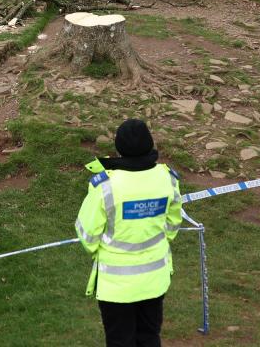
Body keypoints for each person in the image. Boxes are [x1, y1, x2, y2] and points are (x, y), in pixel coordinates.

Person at [75, 119, 182, 347]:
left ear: (118, 148)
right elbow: (173, 223)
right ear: (150, 144)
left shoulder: (104, 186)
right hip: (155, 280)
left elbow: (87, 235)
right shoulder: (168, 179)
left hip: (116, 288)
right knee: (149, 337)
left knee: (120, 341)